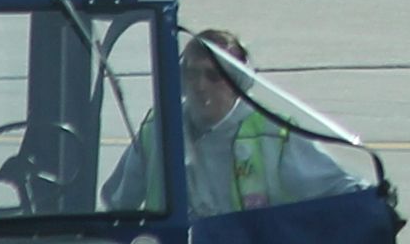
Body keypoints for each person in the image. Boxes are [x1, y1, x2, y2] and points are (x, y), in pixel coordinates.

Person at [121, 28, 350, 216]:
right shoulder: (158, 129)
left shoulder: (272, 134)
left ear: (237, 82)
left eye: (213, 76)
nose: (200, 86)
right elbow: (118, 203)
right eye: (192, 74)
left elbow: (340, 188)